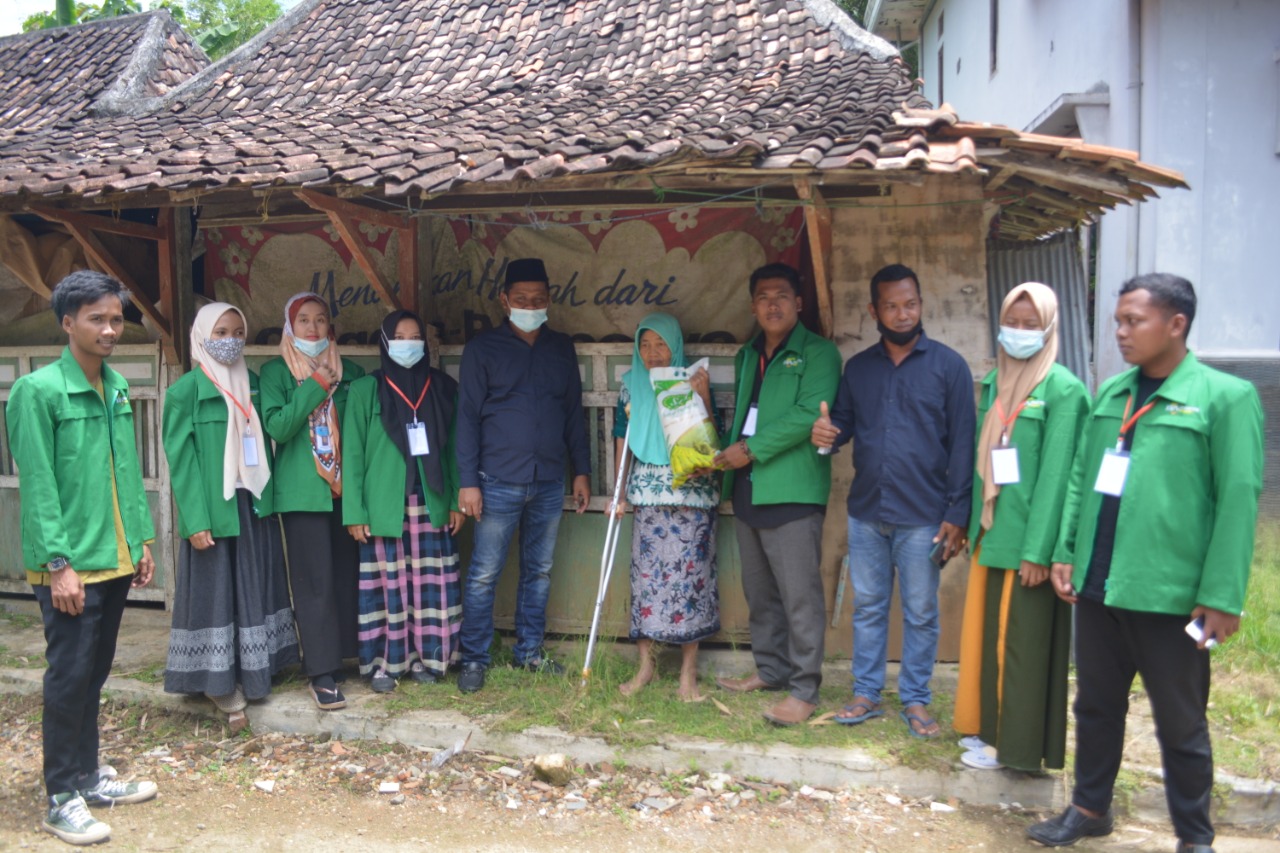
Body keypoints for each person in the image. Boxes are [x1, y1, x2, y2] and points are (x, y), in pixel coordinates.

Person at [1028, 274, 1263, 853]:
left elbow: (1238, 501)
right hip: (1101, 586)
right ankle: (1089, 809)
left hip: (1174, 596)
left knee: (1181, 721)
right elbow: (1083, 479)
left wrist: (1223, 596)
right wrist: (1066, 551)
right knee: (1096, 706)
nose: (1121, 332)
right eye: (1118, 321)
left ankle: (1195, 836)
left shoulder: (1225, 398)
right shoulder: (1113, 394)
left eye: (1134, 321)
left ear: (1176, 324)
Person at [9, 271, 159, 846]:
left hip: (114, 558)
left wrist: (142, 539)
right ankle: (60, 797)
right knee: (68, 678)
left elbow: (127, 470)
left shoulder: (115, 385)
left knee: (93, 675)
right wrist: (57, 564)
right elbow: (39, 485)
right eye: (97, 318)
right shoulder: (38, 391)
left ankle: (89, 777)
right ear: (67, 322)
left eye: (117, 318)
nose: (110, 329)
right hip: (70, 567)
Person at [812, 263, 975, 738]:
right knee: (867, 606)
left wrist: (958, 513)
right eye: (891, 306)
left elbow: (964, 444)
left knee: (922, 610)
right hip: (867, 512)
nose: (902, 314)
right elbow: (840, 425)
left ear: (921, 305)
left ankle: (917, 699)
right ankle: (866, 693)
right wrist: (826, 434)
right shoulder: (859, 369)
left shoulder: (950, 367)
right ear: (873, 310)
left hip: (925, 517)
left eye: (910, 304)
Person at [951, 283, 1088, 771]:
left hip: (1028, 543)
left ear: (1050, 329)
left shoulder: (1064, 390)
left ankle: (1018, 747)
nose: (1020, 333)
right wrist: (970, 526)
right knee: (992, 643)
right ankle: (990, 732)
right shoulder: (994, 383)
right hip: (993, 534)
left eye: (1032, 326)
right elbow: (981, 464)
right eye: (1014, 322)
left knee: (1022, 647)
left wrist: (1040, 550)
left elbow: (1058, 479)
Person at [455, 258, 592, 693]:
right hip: (496, 479)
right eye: (520, 300)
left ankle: (529, 654)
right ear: (504, 301)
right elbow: (467, 420)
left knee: (539, 572)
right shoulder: (483, 350)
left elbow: (573, 414)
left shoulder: (560, 347)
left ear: (548, 300)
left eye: (537, 299)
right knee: (483, 573)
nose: (530, 305)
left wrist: (582, 471)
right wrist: (468, 481)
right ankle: (474, 658)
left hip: (550, 481)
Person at [714, 262, 841, 726]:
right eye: (764, 296)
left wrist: (748, 449)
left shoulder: (819, 353)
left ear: (799, 303)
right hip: (749, 487)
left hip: (792, 487)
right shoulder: (749, 353)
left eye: (782, 295)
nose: (773, 304)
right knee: (760, 590)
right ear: (753, 305)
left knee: (800, 595)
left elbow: (810, 412)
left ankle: (805, 689)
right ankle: (771, 670)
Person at [162, 303, 299, 731]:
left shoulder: (252, 383)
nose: (231, 339)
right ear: (202, 334)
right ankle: (216, 682)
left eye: (238, 331)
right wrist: (195, 519)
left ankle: (258, 670)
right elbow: (180, 462)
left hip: (252, 501)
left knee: (253, 583)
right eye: (221, 330)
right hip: (213, 507)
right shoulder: (185, 391)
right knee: (214, 589)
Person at [343, 310, 465, 692]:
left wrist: (458, 501)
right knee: (388, 587)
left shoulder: (443, 387)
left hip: (432, 502)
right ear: (384, 341)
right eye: (400, 336)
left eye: (416, 337)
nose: (408, 344)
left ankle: (432, 659)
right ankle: (387, 663)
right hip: (384, 508)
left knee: (432, 586)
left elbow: (454, 451)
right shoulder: (365, 390)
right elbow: (354, 456)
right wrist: (354, 512)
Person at [260, 292, 365, 710]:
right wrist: (317, 385)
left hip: (344, 488)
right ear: (289, 326)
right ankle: (320, 672)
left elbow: (358, 432)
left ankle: (342, 657)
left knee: (345, 573)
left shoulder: (353, 371)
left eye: (321, 320)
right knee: (313, 581)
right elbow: (279, 426)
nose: (313, 328)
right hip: (302, 492)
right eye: (303, 320)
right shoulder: (274, 372)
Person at [611, 313, 722, 701]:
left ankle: (687, 675)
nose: (652, 353)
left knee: (692, 582)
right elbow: (622, 441)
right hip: (648, 494)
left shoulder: (692, 379)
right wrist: (619, 493)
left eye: (660, 344)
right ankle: (646, 667)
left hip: (693, 495)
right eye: (645, 344)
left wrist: (703, 395)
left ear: (674, 345)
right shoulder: (630, 388)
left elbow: (712, 440)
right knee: (647, 582)